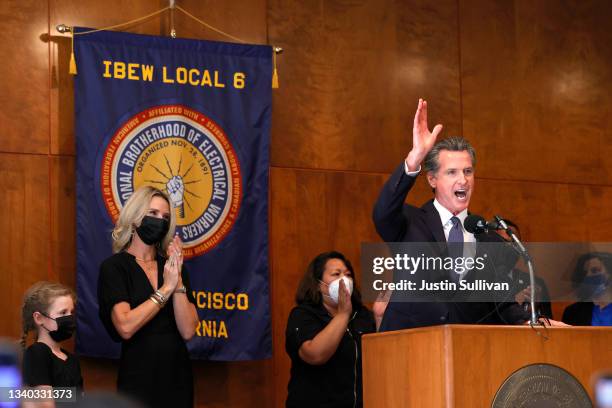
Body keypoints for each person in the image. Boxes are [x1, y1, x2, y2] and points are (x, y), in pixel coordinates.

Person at [373, 99, 565, 330]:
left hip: (466, 353)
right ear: (432, 179)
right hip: (410, 348)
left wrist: (533, 322)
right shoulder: (410, 223)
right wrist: (414, 158)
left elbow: (498, 304)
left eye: (468, 171)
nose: (462, 179)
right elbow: (383, 212)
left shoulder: (490, 240)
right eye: (451, 172)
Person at [97, 186, 198, 408]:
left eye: (165, 217)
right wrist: (165, 289)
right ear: (135, 218)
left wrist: (177, 280)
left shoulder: (173, 268)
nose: (159, 221)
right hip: (138, 376)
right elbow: (125, 326)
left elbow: (189, 330)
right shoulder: (115, 267)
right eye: (152, 214)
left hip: (177, 376)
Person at [285, 251, 375, 408]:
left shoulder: (362, 315)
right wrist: (342, 315)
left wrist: (380, 317)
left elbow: (379, 358)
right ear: (318, 284)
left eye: (348, 275)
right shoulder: (303, 315)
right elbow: (315, 355)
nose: (344, 280)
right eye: (336, 274)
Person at [21, 281, 83, 404]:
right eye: (63, 312)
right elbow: (45, 403)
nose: (69, 317)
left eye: (72, 312)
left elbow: (81, 401)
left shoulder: (72, 360)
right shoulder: (38, 353)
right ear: (39, 318)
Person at [495, 219, 553, 319]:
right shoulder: (476, 280)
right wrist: (514, 302)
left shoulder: (534, 282)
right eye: (503, 242)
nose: (509, 247)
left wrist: (533, 308)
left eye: (514, 243)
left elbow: (548, 326)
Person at [562, 252, 612, 326]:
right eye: (584, 273)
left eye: (594, 270)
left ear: (609, 274)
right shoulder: (572, 312)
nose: (588, 276)